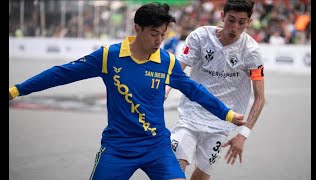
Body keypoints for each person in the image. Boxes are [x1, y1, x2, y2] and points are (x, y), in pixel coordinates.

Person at [8, 3, 246, 180]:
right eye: (154, 34)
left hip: (156, 147)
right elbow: (61, 74)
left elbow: (195, 91)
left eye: (163, 35)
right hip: (118, 148)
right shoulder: (108, 57)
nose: (159, 41)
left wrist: (227, 114)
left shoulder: (167, 62)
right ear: (137, 29)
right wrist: (16, 90)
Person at [166, 0, 265, 179]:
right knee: (173, 172)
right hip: (190, 116)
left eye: (241, 22)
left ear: (249, 22)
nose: (235, 27)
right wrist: (165, 90)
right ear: (222, 16)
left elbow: (260, 98)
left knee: (202, 176)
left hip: (222, 122)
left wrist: (243, 135)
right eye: (231, 20)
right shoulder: (200, 36)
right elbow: (178, 68)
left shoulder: (252, 52)